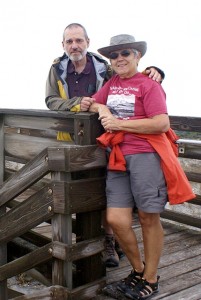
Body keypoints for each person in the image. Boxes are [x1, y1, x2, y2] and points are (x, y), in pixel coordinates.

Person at [83, 33, 195, 299]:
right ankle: (138, 270)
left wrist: (120, 124)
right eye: (114, 55)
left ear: (138, 56)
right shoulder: (111, 84)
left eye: (126, 53)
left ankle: (151, 279)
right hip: (117, 156)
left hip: (146, 155)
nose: (119, 58)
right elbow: (94, 102)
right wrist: (102, 110)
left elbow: (161, 123)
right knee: (116, 219)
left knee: (147, 216)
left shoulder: (149, 85)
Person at [45, 23, 165, 269]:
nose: (74, 45)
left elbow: (134, 80)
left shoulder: (103, 68)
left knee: (113, 199)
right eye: (69, 41)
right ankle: (93, 243)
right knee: (85, 194)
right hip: (75, 142)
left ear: (87, 42)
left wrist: (157, 71)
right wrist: (84, 104)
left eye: (79, 40)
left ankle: (111, 243)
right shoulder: (57, 69)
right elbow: (51, 100)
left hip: (109, 142)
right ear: (63, 45)